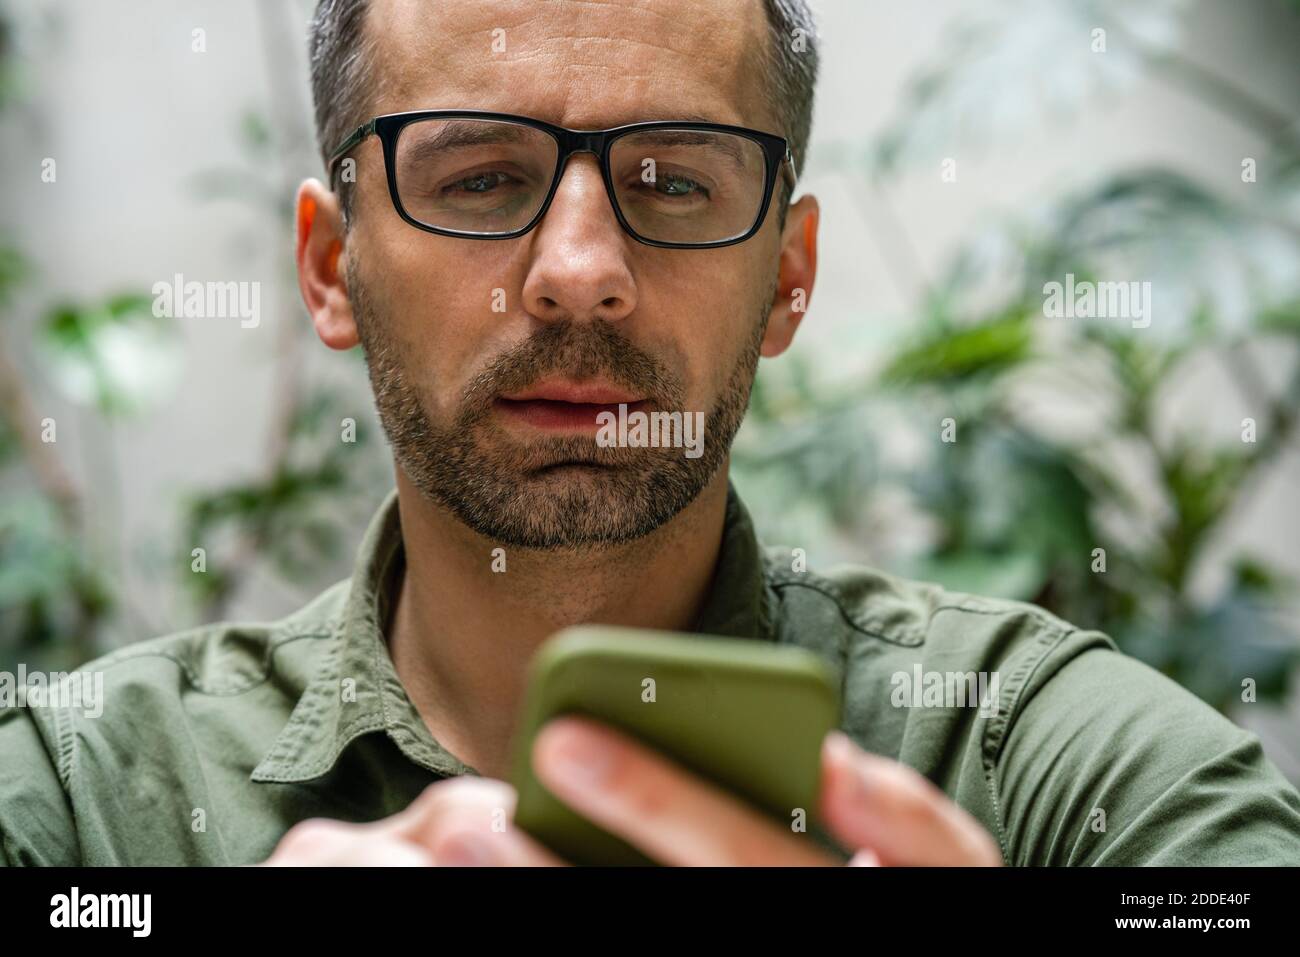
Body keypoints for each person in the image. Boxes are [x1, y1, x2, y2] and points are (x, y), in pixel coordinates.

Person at [2, 0, 1298, 867]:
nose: (579, 270)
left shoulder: (1039, 757)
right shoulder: (81, 798)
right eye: (481, 178)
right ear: (333, 268)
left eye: (675, 181)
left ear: (788, 278)